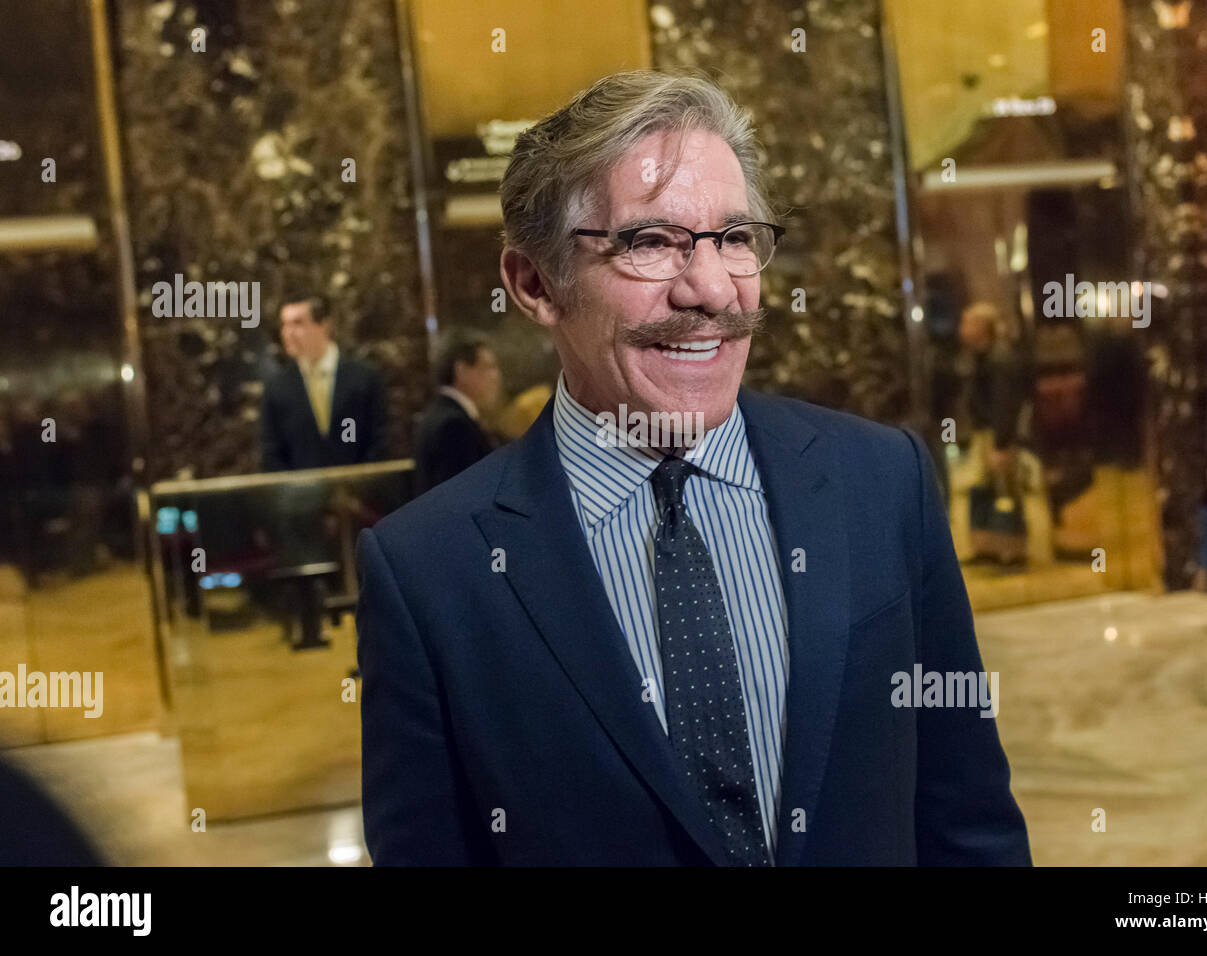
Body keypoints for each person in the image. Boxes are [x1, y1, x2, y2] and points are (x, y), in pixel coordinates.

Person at [356, 71, 1031, 866]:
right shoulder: (430, 572)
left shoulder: (881, 483)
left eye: (736, 237)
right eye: (649, 242)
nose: (712, 289)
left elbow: (968, 818)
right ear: (535, 283)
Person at [944, 303, 1051, 566]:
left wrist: (1002, 443)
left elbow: (1006, 403)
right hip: (987, 432)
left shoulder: (999, 359)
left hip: (996, 434)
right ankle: (993, 546)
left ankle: (1014, 548)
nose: (962, 329)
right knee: (989, 491)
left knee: (1007, 491)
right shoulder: (981, 357)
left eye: (968, 323)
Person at [260, 294, 388, 471]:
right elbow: (271, 453)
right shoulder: (277, 387)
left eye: (297, 323)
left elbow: (380, 441)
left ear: (324, 325)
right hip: (300, 495)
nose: (287, 333)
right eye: (284, 324)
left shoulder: (363, 377)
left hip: (358, 492)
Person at [412, 333, 501, 495]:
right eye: (488, 367)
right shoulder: (453, 425)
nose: (496, 376)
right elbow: (465, 496)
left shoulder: (438, 413)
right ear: (462, 371)